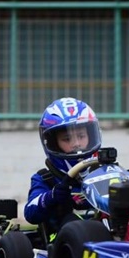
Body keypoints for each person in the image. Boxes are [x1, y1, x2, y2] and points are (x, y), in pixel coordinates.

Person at [23, 97, 102, 237]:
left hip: (106, 234)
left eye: (81, 136)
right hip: (63, 244)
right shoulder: (45, 179)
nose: (76, 143)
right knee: (73, 224)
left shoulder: (103, 170)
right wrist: (51, 196)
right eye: (67, 139)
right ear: (53, 143)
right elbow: (30, 213)